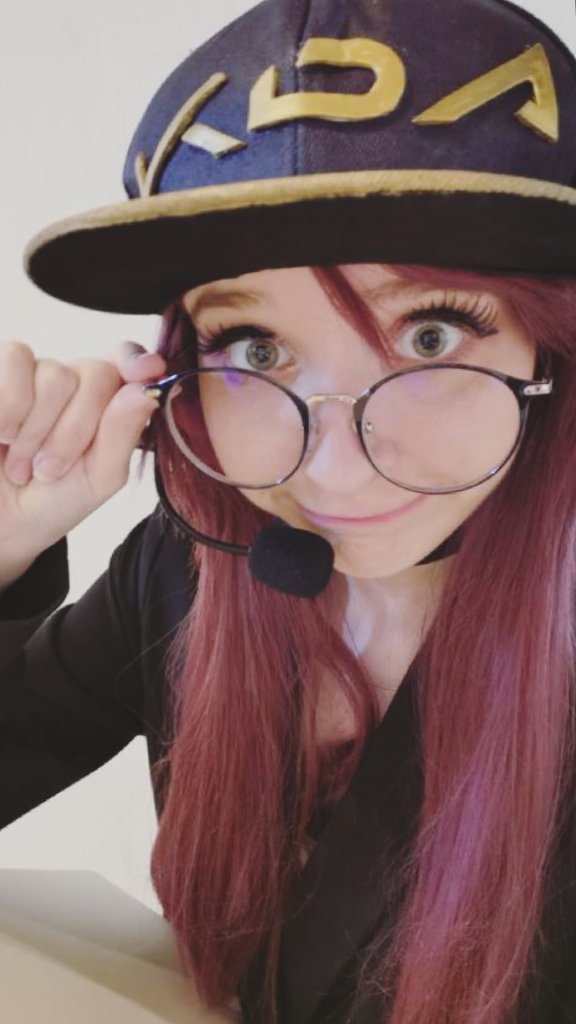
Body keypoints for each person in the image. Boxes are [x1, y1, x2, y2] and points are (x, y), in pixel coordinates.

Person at [2, 0, 576, 1022]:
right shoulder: (183, 573)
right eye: (255, 349)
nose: (337, 474)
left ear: (552, 347)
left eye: (433, 334)